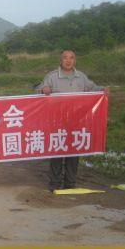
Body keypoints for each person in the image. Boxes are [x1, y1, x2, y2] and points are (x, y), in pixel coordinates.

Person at [36, 50, 109, 191]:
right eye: (65, 58)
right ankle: (54, 184)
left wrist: (103, 89)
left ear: (75, 60)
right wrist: (43, 89)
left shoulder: (81, 77)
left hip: (76, 122)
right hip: (57, 122)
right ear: (61, 60)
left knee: (74, 153)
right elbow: (38, 89)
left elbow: (93, 88)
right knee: (57, 153)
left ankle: (70, 183)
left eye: (71, 58)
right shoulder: (52, 77)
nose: (68, 60)